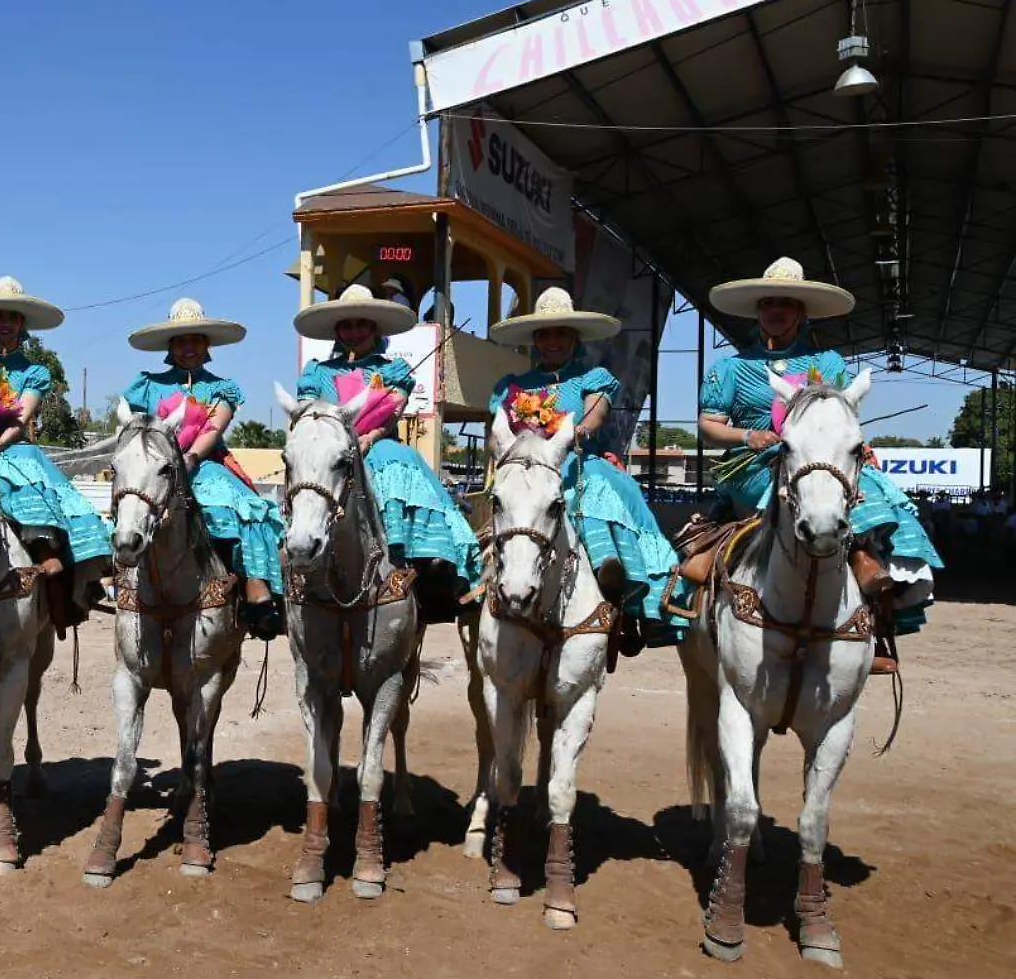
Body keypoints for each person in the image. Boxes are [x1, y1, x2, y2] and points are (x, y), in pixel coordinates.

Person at [681, 256, 942, 672]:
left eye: (786, 303)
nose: (776, 310)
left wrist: (860, 451)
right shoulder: (729, 368)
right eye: (769, 303)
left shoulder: (830, 364)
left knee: (869, 495)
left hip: (817, 461)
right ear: (758, 310)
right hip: (753, 465)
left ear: (801, 312)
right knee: (792, 495)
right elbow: (708, 426)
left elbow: (841, 420)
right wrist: (748, 436)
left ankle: (871, 604)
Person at [488, 286, 683, 652]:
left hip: (575, 458)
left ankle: (618, 582)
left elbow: (595, 415)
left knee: (593, 485)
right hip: (527, 468)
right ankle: (469, 583)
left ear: (574, 337)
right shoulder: (511, 387)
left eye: (560, 332)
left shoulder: (593, 378)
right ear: (535, 339)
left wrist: (566, 435)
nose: (552, 340)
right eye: (544, 333)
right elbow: (494, 438)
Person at [292, 283, 482, 620]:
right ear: (337, 330)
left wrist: (368, 438)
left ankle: (419, 562)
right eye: (347, 325)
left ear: (374, 328)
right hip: (330, 450)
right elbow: (310, 413)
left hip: (376, 445)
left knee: (397, 466)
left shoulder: (391, 369)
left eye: (361, 324)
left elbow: (393, 410)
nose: (354, 331)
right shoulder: (317, 372)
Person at [0, 276, 111, 634]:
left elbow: (22, 415)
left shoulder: (33, 371)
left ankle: (58, 573)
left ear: (22, 324)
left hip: (12, 447)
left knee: (34, 489)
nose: (5, 323)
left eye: (12, 317)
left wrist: (1, 440)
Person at [120, 297, 286, 640]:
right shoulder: (147, 385)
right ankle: (115, 578)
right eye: (180, 340)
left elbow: (214, 428)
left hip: (205, 464)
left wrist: (190, 458)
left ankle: (251, 588)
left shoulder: (221, 387)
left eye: (195, 339)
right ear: (170, 345)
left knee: (238, 509)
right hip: (156, 466)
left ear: (206, 343)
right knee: (130, 503)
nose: (188, 347)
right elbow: (135, 429)